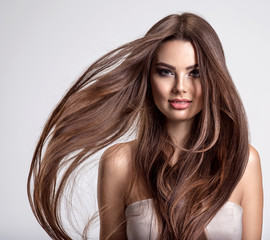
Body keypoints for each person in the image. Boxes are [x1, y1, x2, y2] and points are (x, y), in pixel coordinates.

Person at [28, 12, 263, 240]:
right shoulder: (118, 163)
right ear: (149, 78)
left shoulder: (243, 162)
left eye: (195, 73)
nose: (180, 87)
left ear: (214, 78)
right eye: (166, 72)